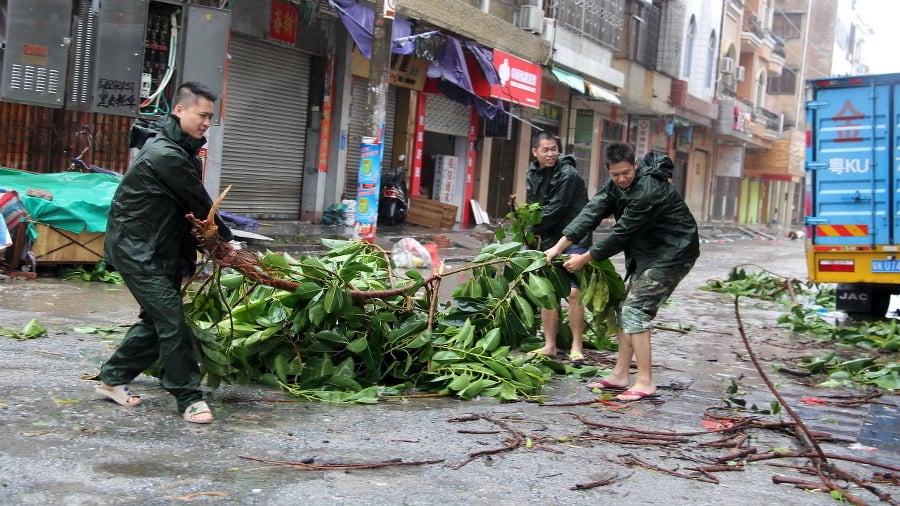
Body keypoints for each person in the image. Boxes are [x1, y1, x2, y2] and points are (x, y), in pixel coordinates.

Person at [94, 82, 234, 424]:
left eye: (210, 117)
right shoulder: (166, 155)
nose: (206, 123)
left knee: (157, 321)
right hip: (137, 250)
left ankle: (112, 378)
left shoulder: (181, 147)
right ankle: (188, 396)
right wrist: (224, 243)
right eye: (202, 115)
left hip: (160, 248)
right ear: (179, 111)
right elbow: (199, 203)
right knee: (171, 321)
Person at [545, 142, 699, 401]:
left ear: (635, 166)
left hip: (673, 252)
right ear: (608, 171)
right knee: (624, 309)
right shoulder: (615, 186)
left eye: (627, 173)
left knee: (635, 310)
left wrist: (583, 258)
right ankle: (619, 374)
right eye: (616, 174)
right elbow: (590, 214)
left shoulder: (648, 190)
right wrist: (556, 248)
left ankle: (646, 381)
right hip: (648, 254)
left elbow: (620, 234)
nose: (622, 179)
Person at [525, 131, 590, 365]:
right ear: (535, 152)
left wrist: (530, 224)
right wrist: (528, 232)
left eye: (554, 149)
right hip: (548, 239)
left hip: (574, 237)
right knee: (548, 292)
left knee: (573, 293)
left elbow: (553, 211)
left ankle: (576, 346)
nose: (551, 154)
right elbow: (533, 205)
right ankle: (550, 345)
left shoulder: (568, 174)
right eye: (546, 150)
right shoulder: (532, 172)